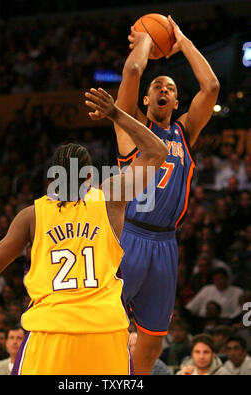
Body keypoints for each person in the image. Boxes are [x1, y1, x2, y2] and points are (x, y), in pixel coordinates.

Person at [0, 87, 168, 375]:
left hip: (50, 334)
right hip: (105, 331)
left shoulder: (32, 216)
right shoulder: (111, 197)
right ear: (91, 176)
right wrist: (115, 113)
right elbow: (157, 153)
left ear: (54, 176)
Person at [113, 15, 220, 374]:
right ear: (146, 99)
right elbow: (131, 74)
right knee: (109, 320)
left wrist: (183, 41)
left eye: (170, 88)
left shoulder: (185, 132)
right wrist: (145, 38)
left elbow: (212, 87)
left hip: (166, 243)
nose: (163, 89)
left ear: (175, 102)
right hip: (129, 234)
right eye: (157, 85)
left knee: (154, 335)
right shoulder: (130, 128)